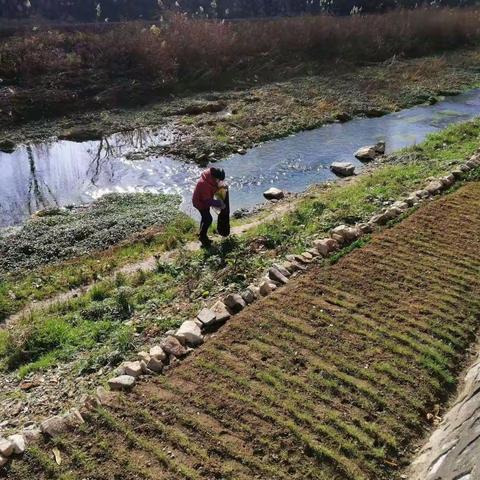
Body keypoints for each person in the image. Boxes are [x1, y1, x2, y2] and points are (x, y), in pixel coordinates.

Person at [192, 167, 226, 247]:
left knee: (205, 217)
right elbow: (207, 201)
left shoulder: (211, 177)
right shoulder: (204, 184)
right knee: (208, 219)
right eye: (219, 180)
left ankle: (201, 233)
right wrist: (220, 203)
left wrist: (222, 188)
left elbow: (215, 187)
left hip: (204, 201)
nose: (221, 181)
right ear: (215, 178)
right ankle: (203, 237)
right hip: (199, 203)